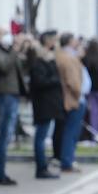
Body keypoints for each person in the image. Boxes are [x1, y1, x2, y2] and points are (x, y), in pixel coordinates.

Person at [0, 26, 28, 186]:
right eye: (3, 34)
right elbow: (4, 66)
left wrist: (21, 49)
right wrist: (14, 50)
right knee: (4, 134)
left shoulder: (8, 51)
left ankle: (2, 173)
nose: (7, 36)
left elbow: (21, 67)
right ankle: (0, 174)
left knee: (7, 134)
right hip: (4, 94)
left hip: (13, 94)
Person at [26, 34, 63, 179]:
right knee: (40, 136)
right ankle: (41, 167)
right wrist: (56, 79)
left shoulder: (48, 62)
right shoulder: (38, 64)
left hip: (49, 105)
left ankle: (43, 166)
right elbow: (40, 82)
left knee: (43, 135)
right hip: (43, 105)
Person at [55, 33, 88, 174]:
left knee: (68, 131)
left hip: (72, 98)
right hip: (74, 100)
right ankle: (67, 161)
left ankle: (66, 159)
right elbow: (73, 81)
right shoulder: (68, 58)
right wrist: (78, 93)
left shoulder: (65, 56)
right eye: (74, 40)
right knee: (71, 132)